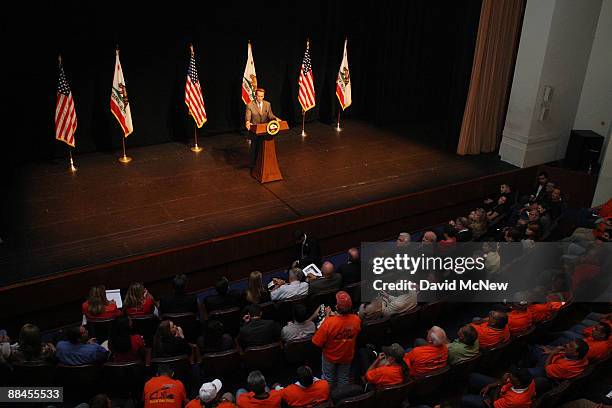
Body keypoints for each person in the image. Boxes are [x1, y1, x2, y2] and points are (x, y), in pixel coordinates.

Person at [312, 291, 361, 388]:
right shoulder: (356, 319)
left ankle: (329, 398)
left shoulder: (329, 322)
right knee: (343, 378)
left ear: (337, 307)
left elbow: (316, 342)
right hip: (347, 355)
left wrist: (327, 317)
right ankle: (342, 398)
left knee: (328, 379)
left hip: (330, 357)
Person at [461, 367, 536, 408]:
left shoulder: (514, 400)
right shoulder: (529, 380)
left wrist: (500, 384)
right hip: (500, 389)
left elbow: (494, 404)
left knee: (464, 399)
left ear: (518, 382)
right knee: (473, 376)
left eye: (511, 376)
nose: (508, 375)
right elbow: (502, 382)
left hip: (495, 400)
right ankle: (476, 393)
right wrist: (489, 385)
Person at [245, 88, 281, 168]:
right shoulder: (250, 105)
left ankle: (264, 164)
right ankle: (253, 165)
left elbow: (270, 115)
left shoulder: (267, 104)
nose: (260, 98)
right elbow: (248, 117)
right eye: (258, 96)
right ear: (255, 96)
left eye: (262, 96)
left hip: (265, 130)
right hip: (255, 130)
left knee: (264, 148)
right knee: (254, 148)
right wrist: (247, 122)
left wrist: (276, 119)